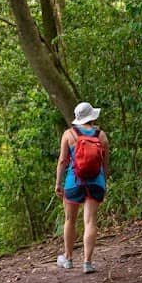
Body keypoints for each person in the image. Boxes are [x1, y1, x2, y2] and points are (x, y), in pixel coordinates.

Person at [55, 101, 110, 274]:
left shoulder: (69, 134)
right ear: (92, 116)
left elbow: (63, 161)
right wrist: (104, 180)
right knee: (90, 221)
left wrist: (58, 183)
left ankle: (69, 259)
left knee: (70, 220)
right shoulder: (101, 135)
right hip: (96, 182)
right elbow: (105, 163)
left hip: (74, 182)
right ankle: (87, 262)